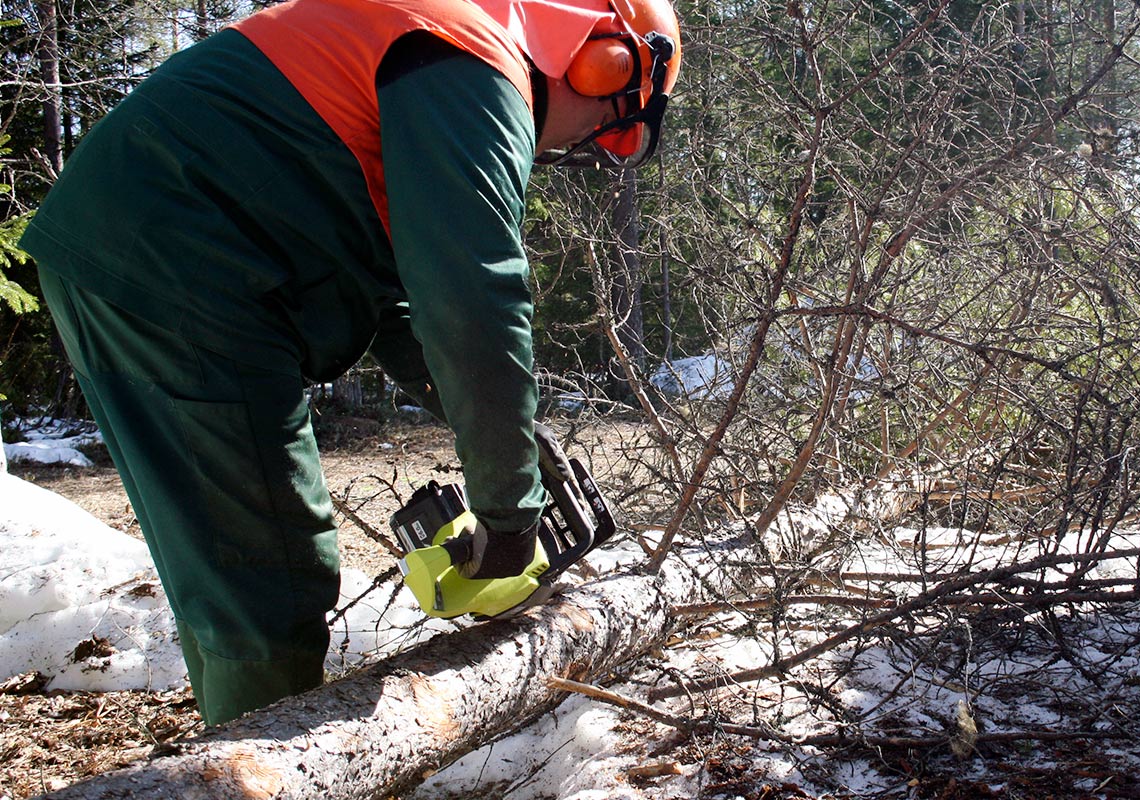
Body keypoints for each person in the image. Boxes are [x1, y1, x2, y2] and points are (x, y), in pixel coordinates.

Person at [19, 0, 681, 726]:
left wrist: (515, 446)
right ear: (606, 61)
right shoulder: (469, 57)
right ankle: (259, 772)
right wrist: (510, 513)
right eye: (609, 124)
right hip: (183, 265)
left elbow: (405, 294)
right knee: (268, 575)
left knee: (229, 569)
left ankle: (225, 746)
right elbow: (472, 292)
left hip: (136, 248)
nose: (587, 142)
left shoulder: (433, 37)